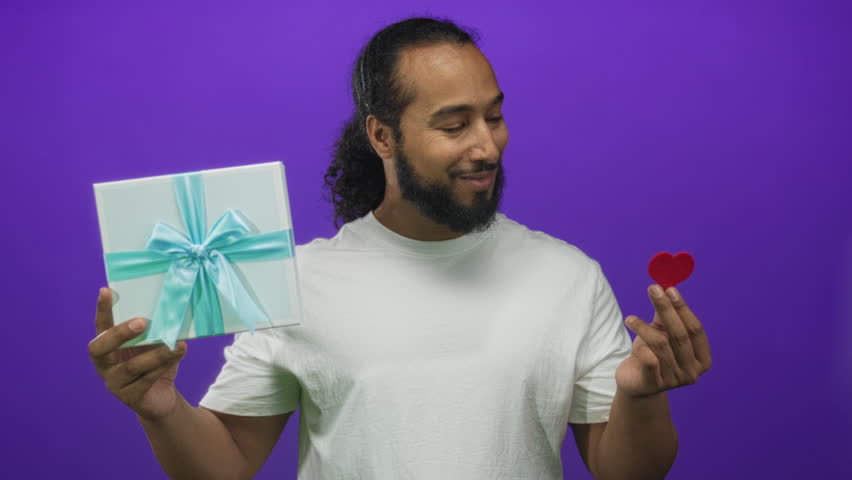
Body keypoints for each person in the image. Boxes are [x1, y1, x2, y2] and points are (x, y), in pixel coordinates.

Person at [89, 16, 712, 480]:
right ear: (382, 136)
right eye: (453, 124)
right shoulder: (297, 281)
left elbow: (629, 471)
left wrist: (641, 395)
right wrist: (161, 409)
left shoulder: (568, 275)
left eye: (493, 117)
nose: (487, 146)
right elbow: (224, 464)